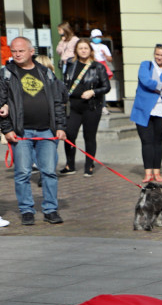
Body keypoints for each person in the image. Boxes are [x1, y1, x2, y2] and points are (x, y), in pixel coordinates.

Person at [0, 36, 68, 225]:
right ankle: (26, 210)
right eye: (14, 51)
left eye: (21, 50)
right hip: (21, 132)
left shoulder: (45, 72)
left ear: (31, 52)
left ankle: (51, 209)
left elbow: (58, 101)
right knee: (22, 173)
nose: (17, 54)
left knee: (49, 172)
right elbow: (1, 103)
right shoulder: (6, 73)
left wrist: (61, 127)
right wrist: (6, 129)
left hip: (47, 130)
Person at [60, 39, 110, 176]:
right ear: (76, 50)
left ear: (90, 51)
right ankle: (70, 165)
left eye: (86, 48)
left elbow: (107, 87)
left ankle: (89, 165)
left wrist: (93, 92)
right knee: (69, 134)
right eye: (80, 48)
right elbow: (65, 83)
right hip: (73, 106)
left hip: (91, 107)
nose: (83, 50)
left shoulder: (98, 67)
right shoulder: (71, 64)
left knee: (89, 136)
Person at [129, 44, 162, 183]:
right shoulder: (146, 66)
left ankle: (157, 172)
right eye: (157, 54)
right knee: (146, 142)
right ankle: (147, 173)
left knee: (158, 142)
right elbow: (145, 82)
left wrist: (158, 88)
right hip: (143, 111)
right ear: (154, 54)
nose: (159, 57)